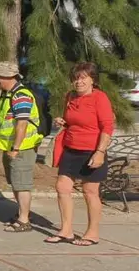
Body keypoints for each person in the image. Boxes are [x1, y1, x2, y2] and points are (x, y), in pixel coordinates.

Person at [47, 62, 113, 246]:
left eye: (83, 77)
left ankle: (92, 233)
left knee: (90, 191)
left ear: (93, 79)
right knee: (62, 187)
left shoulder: (100, 98)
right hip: (70, 149)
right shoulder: (70, 97)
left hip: (92, 150)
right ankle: (66, 230)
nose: (79, 82)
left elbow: (107, 126)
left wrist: (100, 152)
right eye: (76, 78)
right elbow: (75, 121)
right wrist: (63, 122)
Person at [0, 61, 43, 233]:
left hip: (22, 148)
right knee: (16, 183)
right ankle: (22, 213)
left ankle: (24, 220)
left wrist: (16, 148)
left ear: (8, 77)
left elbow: (22, 124)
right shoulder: (7, 94)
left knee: (22, 184)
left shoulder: (21, 95)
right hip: (11, 147)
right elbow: (1, 120)